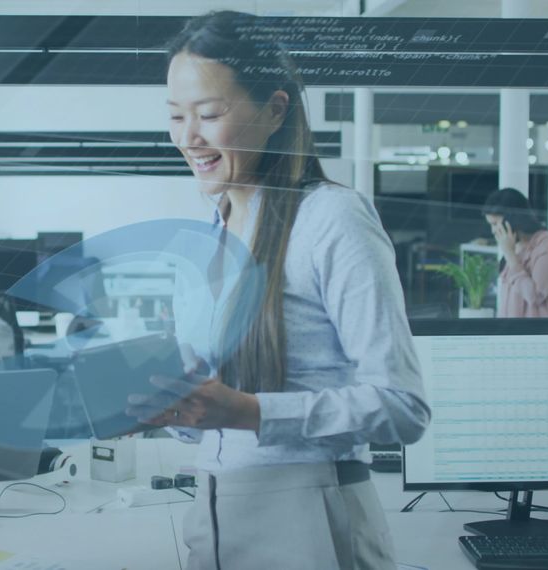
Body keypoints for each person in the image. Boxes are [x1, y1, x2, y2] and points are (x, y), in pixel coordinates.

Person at [128, 11, 431, 570]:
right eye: (175, 116)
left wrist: (247, 411)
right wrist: (171, 406)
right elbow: (211, 423)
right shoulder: (207, 238)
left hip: (311, 517)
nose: (188, 137)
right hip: (214, 516)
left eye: (209, 114)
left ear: (274, 109)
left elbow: (402, 407)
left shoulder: (331, 218)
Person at [482, 187, 548, 318]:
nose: (493, 231)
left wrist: (510, 254)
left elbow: (534, 296)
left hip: (537, 334)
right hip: (511, 333)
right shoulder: (514, 245)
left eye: (495, 224)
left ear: (511, 218)